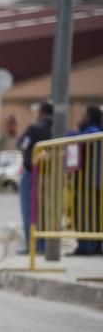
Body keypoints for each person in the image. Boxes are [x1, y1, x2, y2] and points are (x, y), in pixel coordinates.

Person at [17, 102, 53, 255]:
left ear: (41, 112)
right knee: (46, 211)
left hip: (32, 173)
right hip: (51, 175)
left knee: (29, 210)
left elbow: (22, 145)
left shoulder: (34, 128)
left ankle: (32, 245)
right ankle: (44, 244)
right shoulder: (58, 129)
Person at [69, 105, 103, 256]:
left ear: (89, 117)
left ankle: (86, 247)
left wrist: (70, 133)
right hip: (94, 183)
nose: (80, 118)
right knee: (95, 216)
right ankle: (94, 246)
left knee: (84, 215)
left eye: (83, 115)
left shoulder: (91, 133)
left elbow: (74, 139)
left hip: (87, 183)